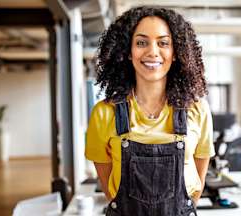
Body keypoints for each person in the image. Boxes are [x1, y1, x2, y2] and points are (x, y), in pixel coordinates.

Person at [85, 6, 215, 216]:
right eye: (141, 42)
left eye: (163, 43)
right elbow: (111, 191)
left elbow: (197, 186)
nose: (152, 51)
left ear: (176, 53)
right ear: (128, 52)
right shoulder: (104, 113)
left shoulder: (198, 110)